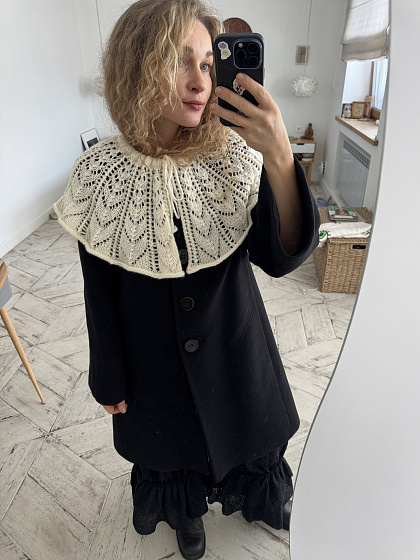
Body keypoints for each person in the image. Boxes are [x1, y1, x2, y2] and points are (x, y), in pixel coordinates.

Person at [54, 1, 320, 558]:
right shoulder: (98, 175)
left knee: (248, 437)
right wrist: (108, 378)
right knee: (171, 452)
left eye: (207, 64)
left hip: (236, 349)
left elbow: (279, 257)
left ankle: (259, 498)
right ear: (137, 64)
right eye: (180, 60)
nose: (200, 81)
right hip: (152, 367)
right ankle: (186, 514)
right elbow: (98, 292)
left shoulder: (234, 159)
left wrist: (278, 155)